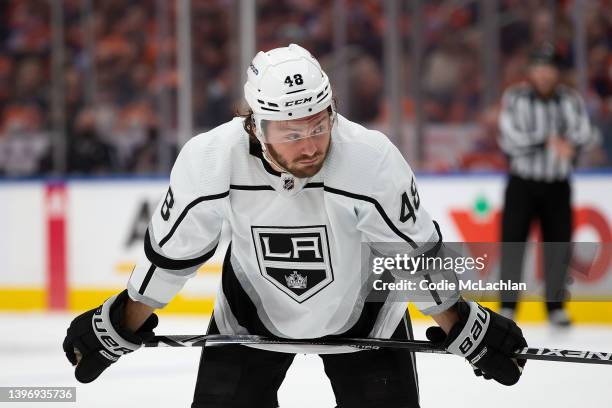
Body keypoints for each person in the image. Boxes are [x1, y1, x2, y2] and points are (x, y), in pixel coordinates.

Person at [63, 44, 527, 407]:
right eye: (291, 133)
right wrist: (122, 320)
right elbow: (173, 253)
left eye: (318, 126)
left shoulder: (369, 159)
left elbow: (410, 255)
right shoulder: (209, 161)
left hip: (368, 320)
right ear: (256, 126)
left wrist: (461, 322)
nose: (309, 146)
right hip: (248, 319)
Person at [498, 43, 594, 327]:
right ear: (531, 71)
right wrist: (551, 141)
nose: (544, 74)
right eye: (539, 68)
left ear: (557, 72)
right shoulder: (515, 98)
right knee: (513, 244)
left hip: (557, 184)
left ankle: (555, 308)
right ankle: (507, 306)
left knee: (557, 245)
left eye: (549, 68)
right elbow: (509, 139)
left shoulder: (571, 99)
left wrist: (563, 142)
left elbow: (585, 133)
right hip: (522, 184)